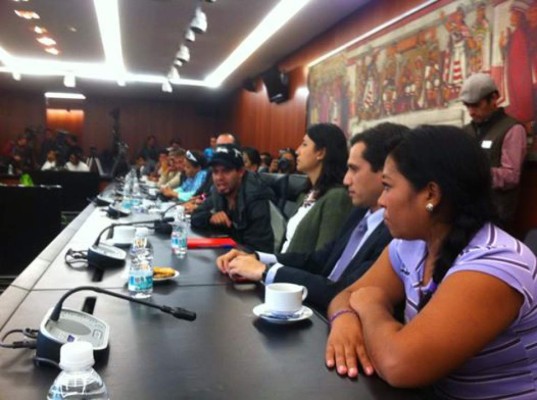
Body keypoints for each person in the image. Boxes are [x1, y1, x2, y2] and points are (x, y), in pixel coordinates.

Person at [325, 125, 537, 399]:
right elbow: (345, 296)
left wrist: (370, 306)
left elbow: (399, 365)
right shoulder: (411, 244)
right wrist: (344, 320)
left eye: (387, 186)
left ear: (431, 195)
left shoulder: (495, 263)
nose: (381, 200)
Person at [216, 123, 407, 312]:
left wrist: (265, 271)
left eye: (354, 169)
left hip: (325, 312)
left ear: (384, 173)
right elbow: (318, 258)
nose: (346, 179)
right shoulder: (360, 212)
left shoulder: (395, 233)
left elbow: (343, 291)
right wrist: (258, 258)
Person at [460, 72, 527, 228]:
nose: (471, 112)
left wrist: (476, 173)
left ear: (494, 98)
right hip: (466, 212)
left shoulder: (512, 129)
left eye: (476, 105)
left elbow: (511, 176)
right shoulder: (465, 131)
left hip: (496, 215)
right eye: (467, 106)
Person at [191, 144, 275, 252]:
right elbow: (195, 216)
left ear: (240, 172)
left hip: (251, 258)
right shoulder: (219, 191)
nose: (219, 177)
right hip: (232, 252)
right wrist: (210, 217)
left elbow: (259, 249)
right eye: (215, 172)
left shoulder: (255, 197)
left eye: (226, 171)